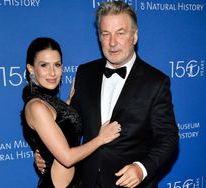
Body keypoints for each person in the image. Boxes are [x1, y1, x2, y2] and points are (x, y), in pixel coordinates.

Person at [36, 1, 179, 187]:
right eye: (106, 34)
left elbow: (168, 139)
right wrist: (46, 151)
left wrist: (141, 168)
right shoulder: (84, 73)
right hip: (86, 181)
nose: (112, 42)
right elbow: (71, 126)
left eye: (120, 33)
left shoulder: (156, 82)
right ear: (99, 37)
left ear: (134, 36)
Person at [21, 37, 121, 188]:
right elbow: (67, 158)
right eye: (44, 65)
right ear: (31, 68)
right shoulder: (36, 107)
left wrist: (68, 104)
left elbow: (59, 125)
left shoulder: (50, 101)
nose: (52, 72)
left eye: (57, 65)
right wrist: (101, 138)